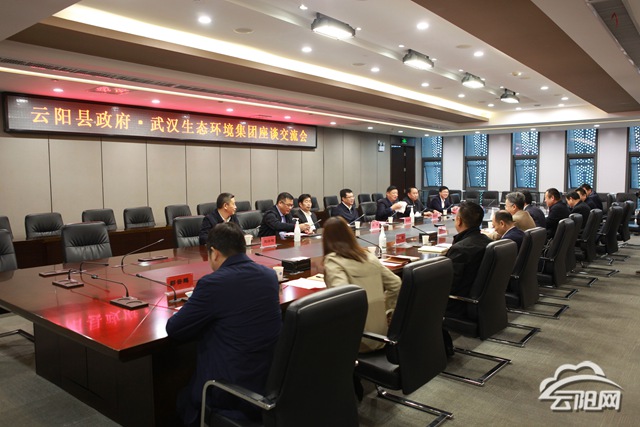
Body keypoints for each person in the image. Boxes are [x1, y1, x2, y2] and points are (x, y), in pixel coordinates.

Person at [166, 222, 282, 426]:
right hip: (268, 382)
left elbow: (174, 329)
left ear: (215, 253)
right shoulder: (269, 276)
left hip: (229, 392)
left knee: (179, 400)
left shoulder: (213, 283)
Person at [322, 216, 401, 353]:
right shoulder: (368, 256)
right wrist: (386, 310)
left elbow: (342, 299)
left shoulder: (333, 261)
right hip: (383, 334)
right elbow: (396, 283)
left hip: (358, 339)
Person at [443, 201, 491, 356]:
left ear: (459, 221)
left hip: (459, 304)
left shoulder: (461, 249)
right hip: (482, 301)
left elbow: (449, 285)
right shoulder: (488, 242)